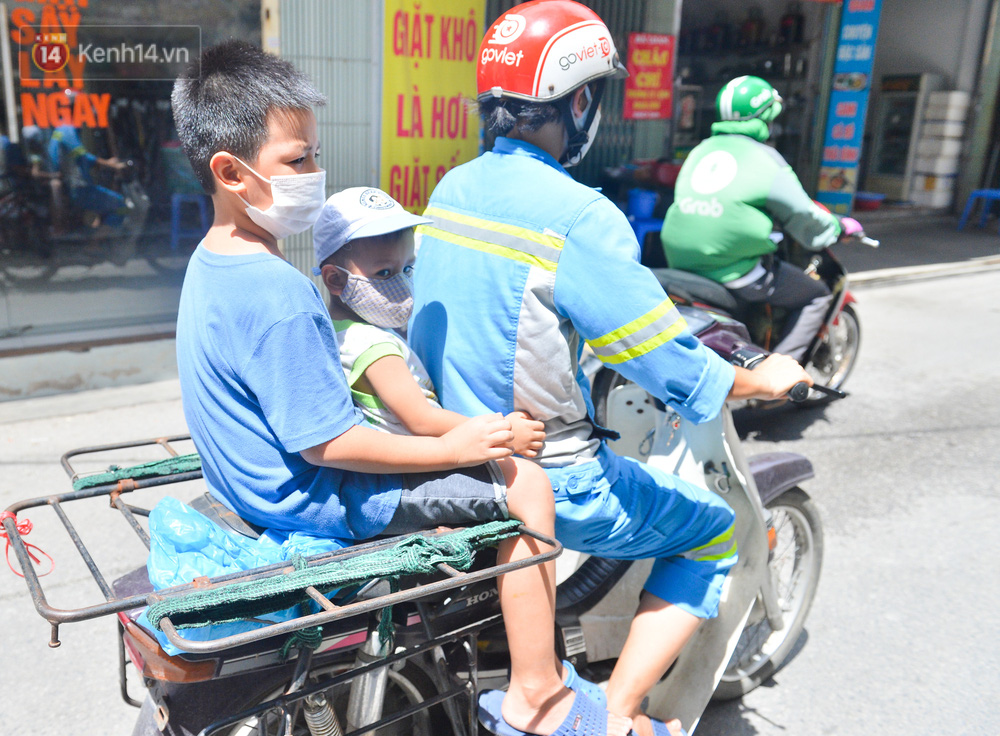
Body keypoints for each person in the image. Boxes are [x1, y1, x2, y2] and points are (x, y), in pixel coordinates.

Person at [171, 40, 630, 736]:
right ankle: (537, 693)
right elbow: (332, 445)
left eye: (314, 155)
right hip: (317, 500)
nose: (314, 175)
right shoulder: (282, 293)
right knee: (526, 483)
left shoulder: (209, 263)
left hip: (252, 488)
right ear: (231, 172)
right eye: (297, 161)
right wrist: (469, 439)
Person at [406, 4, 813, 736]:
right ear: (581, 101)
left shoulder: (450, 189)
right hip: (549, 475)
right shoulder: (580, 216)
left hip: (445, 451)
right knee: (714, 534)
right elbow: (664, 361)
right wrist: (764, 377)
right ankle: (618, 713)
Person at [313, 185, 546, 458]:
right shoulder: (372, 345)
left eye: (407, 268)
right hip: (424, 466)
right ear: (335, 279)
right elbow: (421, 420)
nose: (401, 283)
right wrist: (505, 432)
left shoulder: (338, 333)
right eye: (384, 272)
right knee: (531, 483)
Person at [660, 75, 844, 362]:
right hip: (733, 269)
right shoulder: (765, 158)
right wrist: (837, 226)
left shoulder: (700, 150)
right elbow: (803, 215)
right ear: (765, 117)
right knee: (817, 295)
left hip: (680, 260)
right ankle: (781, 375)